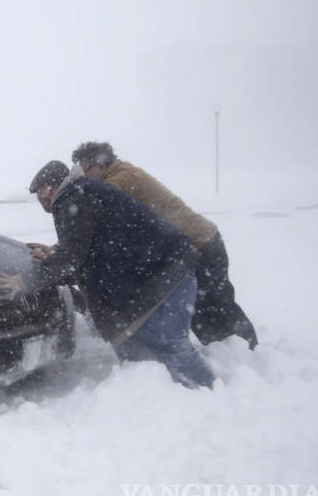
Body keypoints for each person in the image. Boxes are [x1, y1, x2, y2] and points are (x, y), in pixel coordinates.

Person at [0, 160, 215, 388]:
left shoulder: (73, 198)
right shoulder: (81, 193)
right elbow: (85, 246)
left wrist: (27, 281)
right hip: (155, 272)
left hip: (165, 272)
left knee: (169, 342)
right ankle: (161, 396)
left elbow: (73, 258)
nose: (39, 199)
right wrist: (56, 254)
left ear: (50, 187)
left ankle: (208, 392)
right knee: (140, 348)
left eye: (39, 192)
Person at [71, 142, 258, 349]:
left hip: (201, 244)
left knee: (217, 307)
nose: (83, 177)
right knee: (204, 310)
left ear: (100, 165)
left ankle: (248, 352)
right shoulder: (122, 174)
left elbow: (92, 218)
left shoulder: (122, 179)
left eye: (84, 170)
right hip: (194, 245)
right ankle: (233, 353)